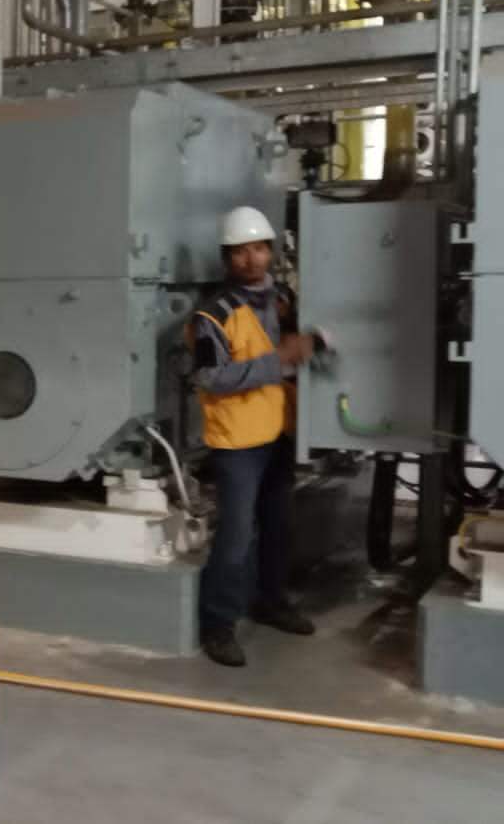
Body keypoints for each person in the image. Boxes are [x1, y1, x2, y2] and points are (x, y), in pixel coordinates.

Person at [188, 206, 315, 668]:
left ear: (270, 252)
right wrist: (279, 360)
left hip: (279, 432)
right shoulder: (213, 314)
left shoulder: (283, 300)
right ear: (227, 258)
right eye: (240, 251)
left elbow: (300, 351)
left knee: (279, 525)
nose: (251, 259)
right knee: (237, 534)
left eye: (259, 249)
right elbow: (210, 377)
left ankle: (271, 602)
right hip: (237, 443)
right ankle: (218, 625)